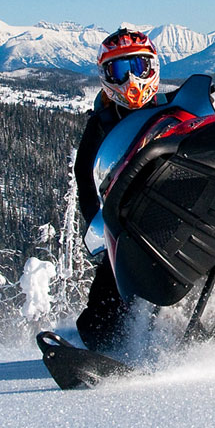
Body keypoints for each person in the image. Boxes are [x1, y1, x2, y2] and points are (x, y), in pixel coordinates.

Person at [74, 28, 161, 352]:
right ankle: (105, 349)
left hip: (179, 207)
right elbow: (84, 173)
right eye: (119, 71)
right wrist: (99, 222)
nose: (131, 80)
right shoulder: (101, 122)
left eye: (138, 68)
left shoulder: (173, 107)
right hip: (129, 225)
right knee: (104, 310)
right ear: (105, 76)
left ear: (152, 68)